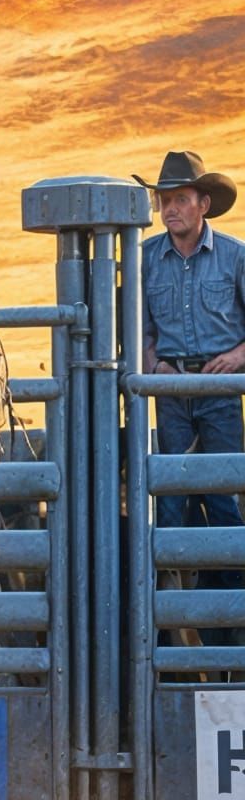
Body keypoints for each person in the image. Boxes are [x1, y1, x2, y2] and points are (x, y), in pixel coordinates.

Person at [139, 151, 245, 643]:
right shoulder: (146, 259)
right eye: (164, 200)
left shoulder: (236, 255)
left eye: (180, 199)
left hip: (221, 390)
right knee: (172, 506)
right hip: (172, 389)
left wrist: (238, 355)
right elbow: (138, 329)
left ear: (204, 202)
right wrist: (154, 362)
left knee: (223, 504)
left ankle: (227, 632)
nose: (170, 209)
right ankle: (168, 642)